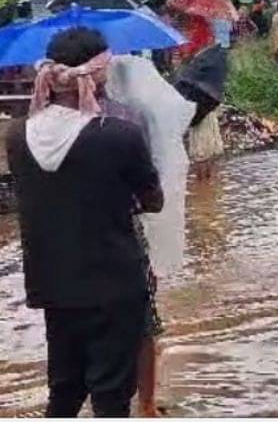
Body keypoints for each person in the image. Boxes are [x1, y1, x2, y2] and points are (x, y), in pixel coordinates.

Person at [5, 28, 164, 417]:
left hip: (53, 283)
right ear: (95, 75)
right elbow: (153, 200)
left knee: (64, 387)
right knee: (111, 392)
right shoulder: (119, 135)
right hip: (113, 281)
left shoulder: (17, 136)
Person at [104, 56, 197, 418]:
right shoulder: (136, 118)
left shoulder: (74, 119)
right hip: (132, 229)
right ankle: (145, 402)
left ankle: (104, 393)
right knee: (143, 319)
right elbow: (154, 191)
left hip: (82, 238)